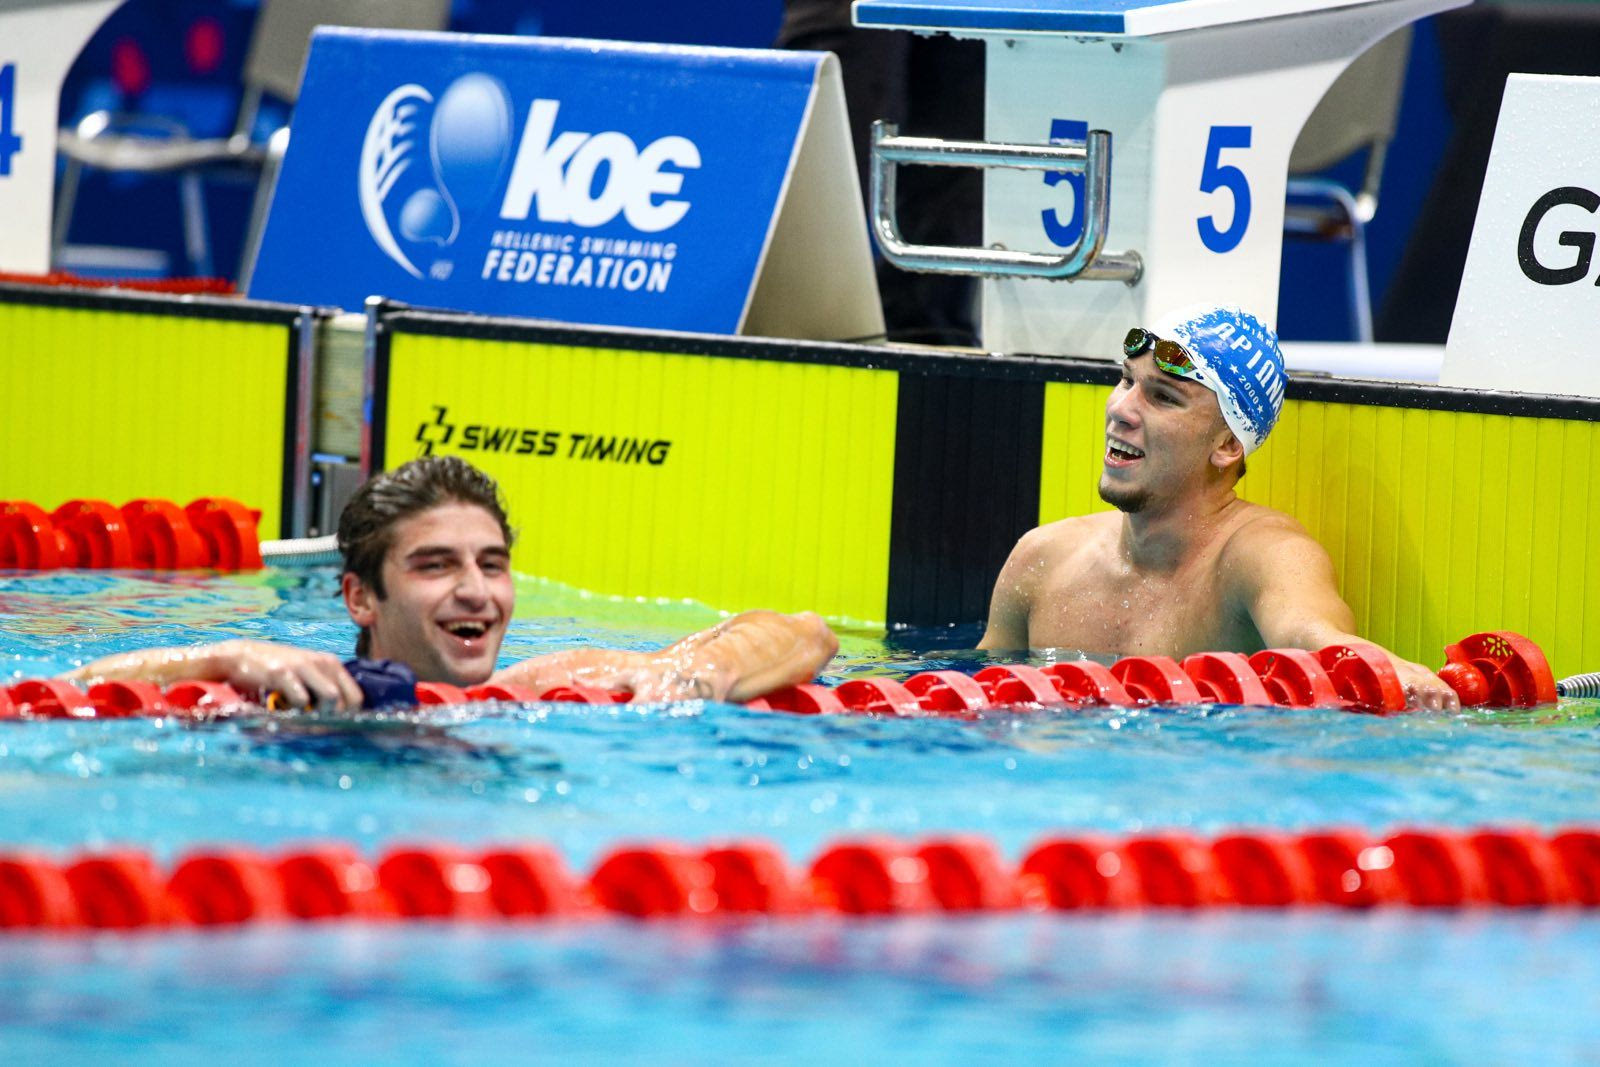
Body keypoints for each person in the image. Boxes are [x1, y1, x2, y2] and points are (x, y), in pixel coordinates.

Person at [64, 457, 839, 709]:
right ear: (360, 597)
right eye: (436, 565)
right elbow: (69, 691)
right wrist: (226, 654)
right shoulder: (290, 695)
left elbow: (805, 632)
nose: (477, 591)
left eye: (491, 564)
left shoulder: (541, 688)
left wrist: (699, 671)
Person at [979, 304, 1459, 711]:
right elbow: (979, 702)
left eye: (1163, 397)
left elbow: (1311, 634)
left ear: (1227, 445)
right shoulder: (1042, 559)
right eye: (1127, 381)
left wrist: (1387, 668)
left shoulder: (1261, 555)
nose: (1121, 410)